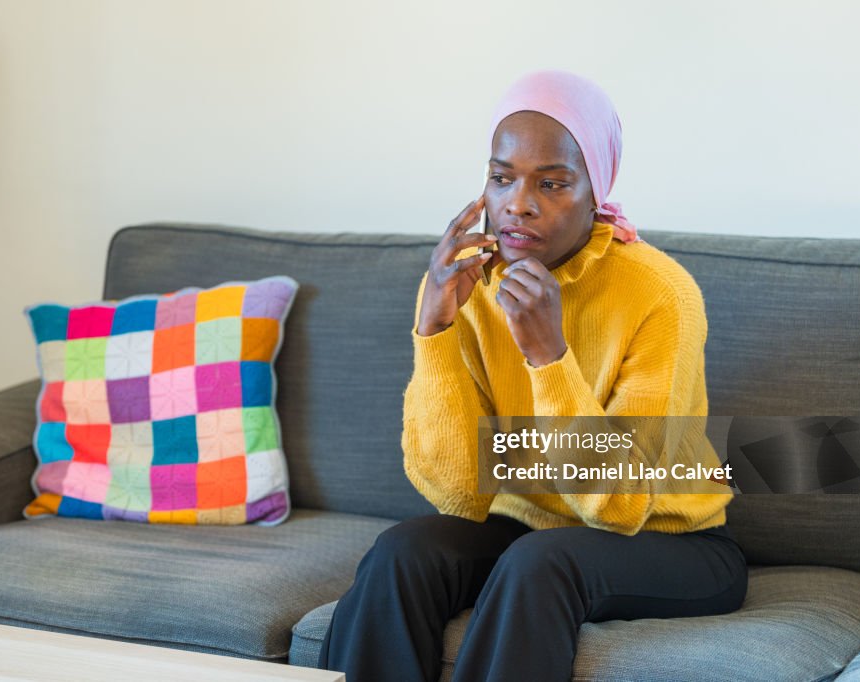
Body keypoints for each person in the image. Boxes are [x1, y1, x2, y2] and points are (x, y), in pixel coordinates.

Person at [318, 70, 748, 682]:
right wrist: (434, 332)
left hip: (676, 543)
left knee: (541, 561)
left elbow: (621, 505)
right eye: (502, 178)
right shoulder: (464, 283)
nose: (518, 203)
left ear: (596, 192)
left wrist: (549, 358)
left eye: (552, 183)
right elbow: (459, 493)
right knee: (402, 550)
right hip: (525, 530)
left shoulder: (661, 295)